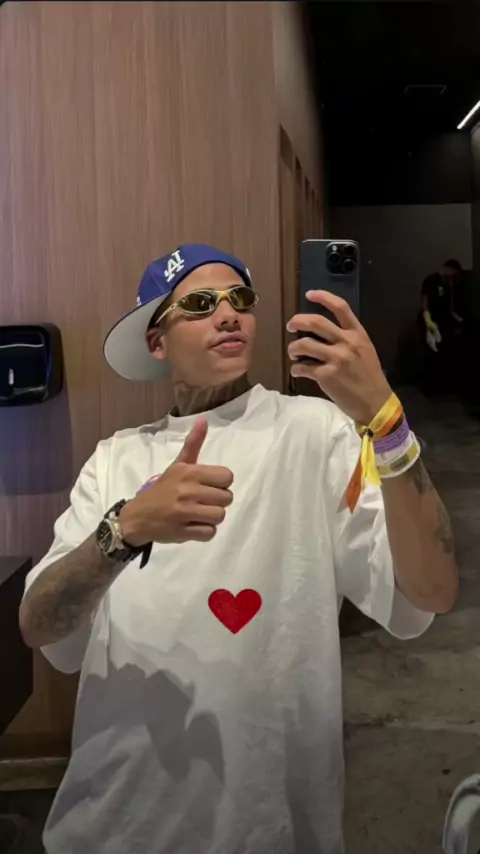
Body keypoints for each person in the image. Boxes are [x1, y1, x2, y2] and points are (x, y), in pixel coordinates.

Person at [19, 244, 458, 854]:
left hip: (271, 827)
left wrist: (386, 422)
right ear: (157, 342)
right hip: (112, 825)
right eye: (201, 304)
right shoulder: (115, 458)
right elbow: (38, 625)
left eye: (240, 300)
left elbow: (432, 591)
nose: (229, 314)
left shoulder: (315, 432)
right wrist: (127, 529)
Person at [421, 259, 464, 395]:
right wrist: (427, 320)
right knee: (431, 353)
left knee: (444, 354)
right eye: (451, 273)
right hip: (431, 320)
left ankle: (443, 387)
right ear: (447, 268)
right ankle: (430, 388)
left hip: (444, 322)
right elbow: (425, 302)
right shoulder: (430, 280)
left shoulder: (449, 284)